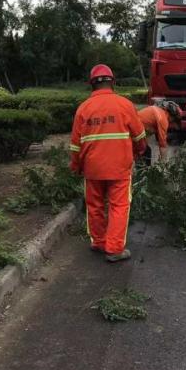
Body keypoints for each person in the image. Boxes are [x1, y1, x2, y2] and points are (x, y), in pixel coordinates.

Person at [70, 64, 147, 263]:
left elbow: (75, 144)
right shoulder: (125, 104)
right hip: (119, 167)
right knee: (119, 206)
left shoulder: (83, 108)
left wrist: (76, 166)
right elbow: (140, 136)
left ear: (92, 84)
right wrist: (139, 151)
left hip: (92, 168)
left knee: (94, 205)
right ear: (113, 82)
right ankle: (114, 249)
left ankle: (98, 242)